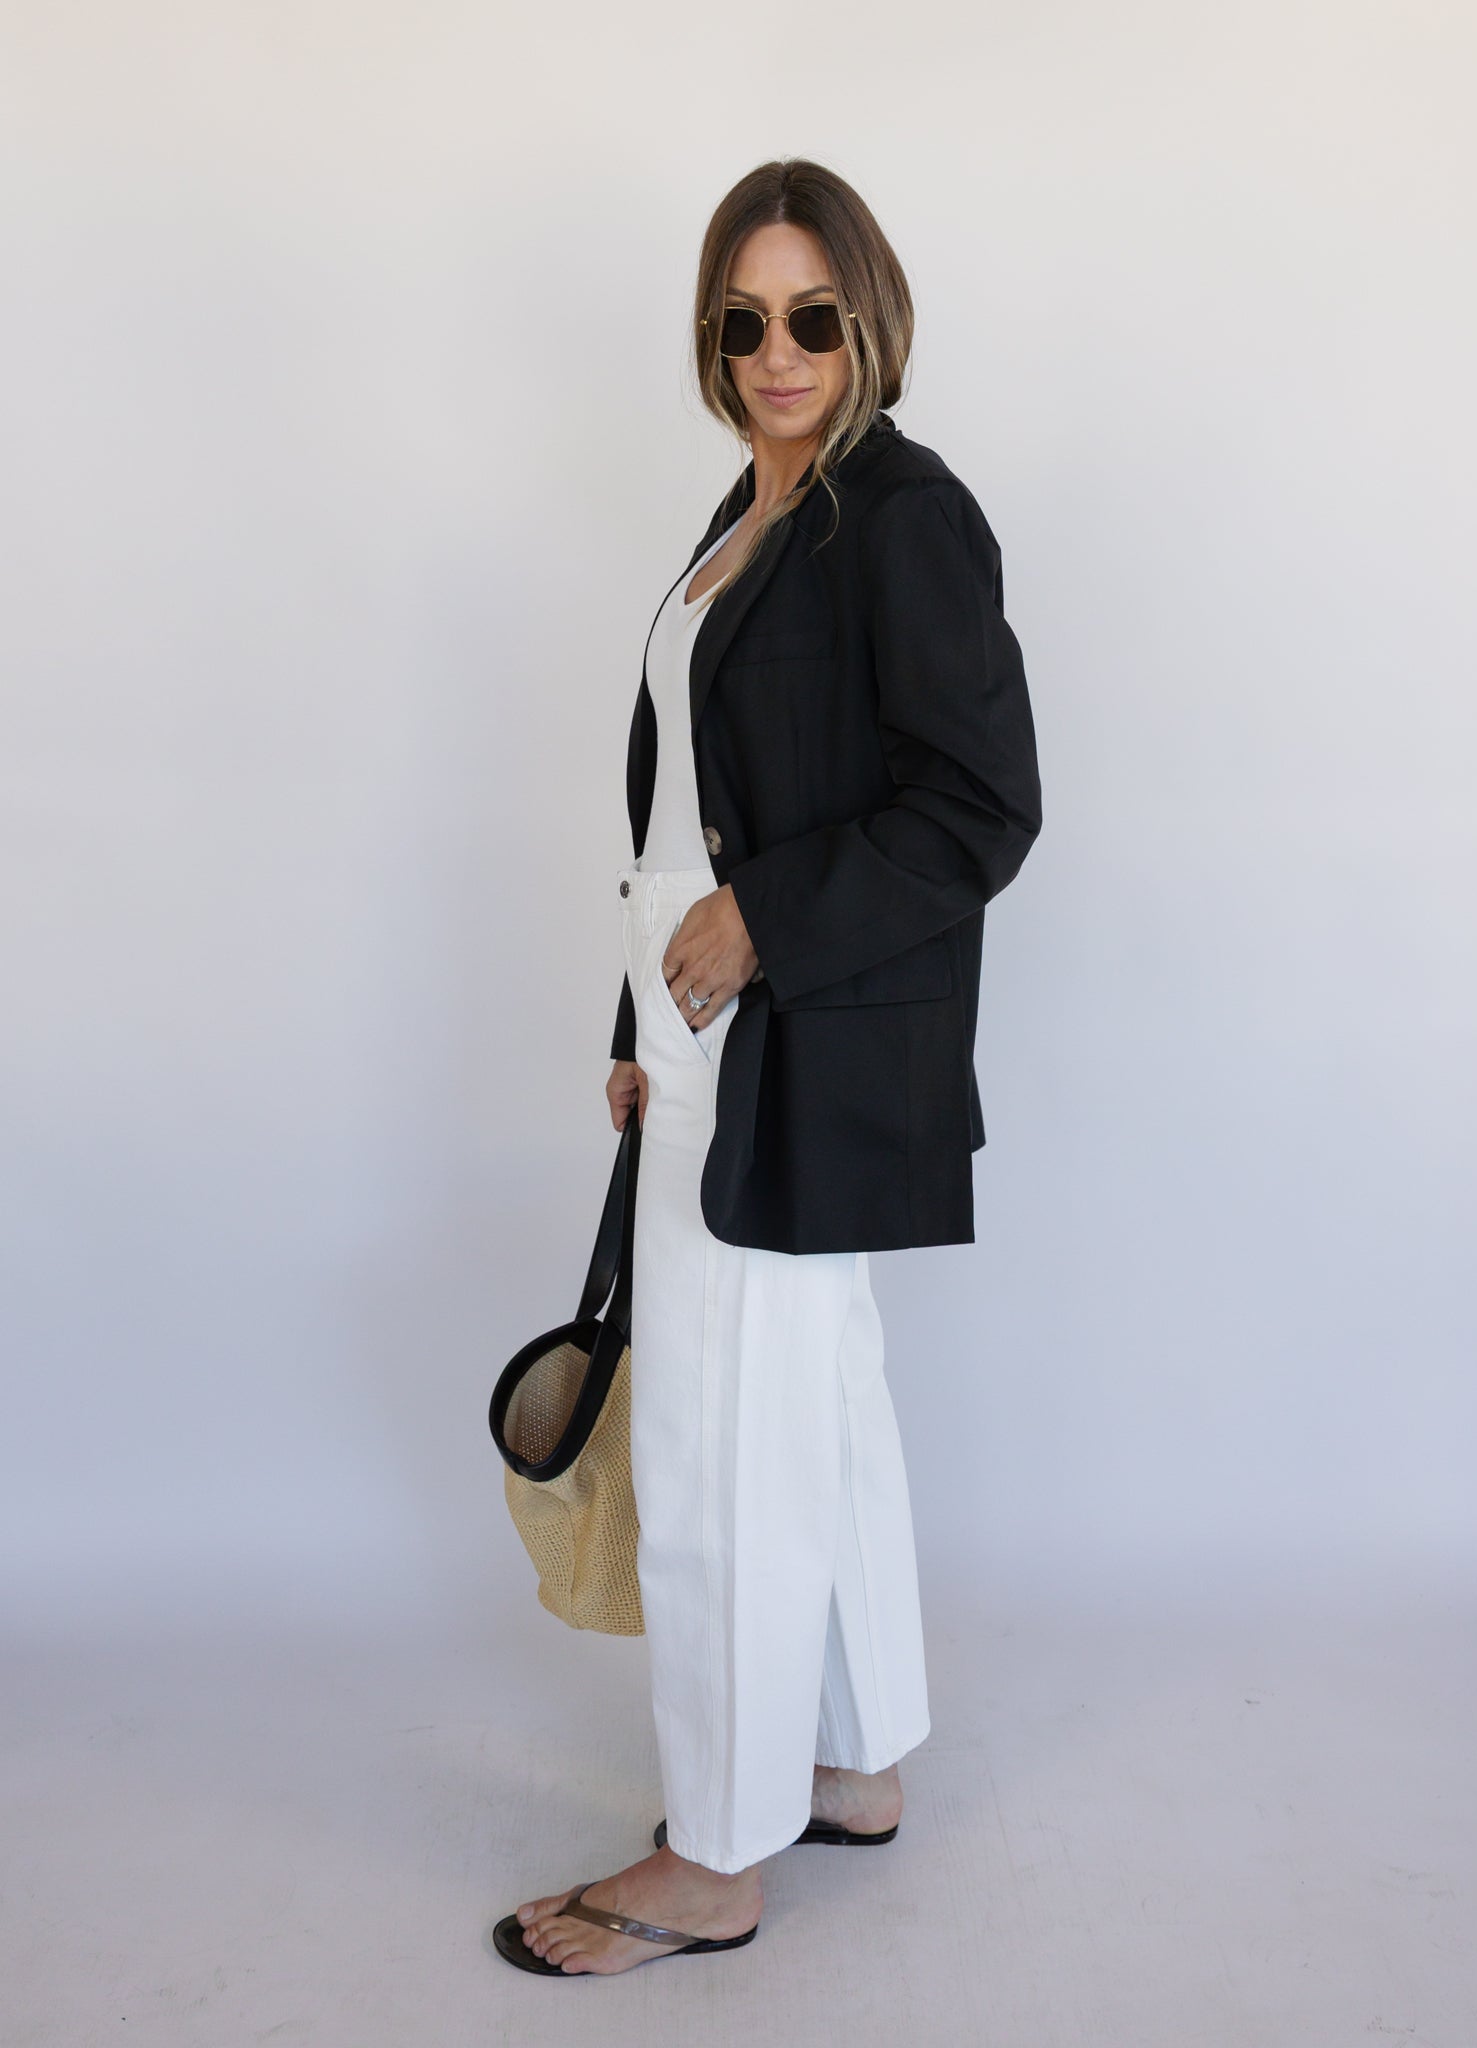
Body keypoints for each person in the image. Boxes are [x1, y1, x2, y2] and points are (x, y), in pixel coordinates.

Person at [495, 156, 1042, 1978]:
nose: (777, 351)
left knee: (725, 1444)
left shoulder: (905, 516)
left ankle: (717, 1855)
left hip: (801, 1041)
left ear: (867, 314)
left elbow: (979, 806)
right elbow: (692, 809)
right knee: (823, 1408)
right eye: (743, 321)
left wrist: (762, 930)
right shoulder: (751, 509)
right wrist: (638, 1033)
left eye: (811, 314)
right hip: (711, 1043)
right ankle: (856, 1762)